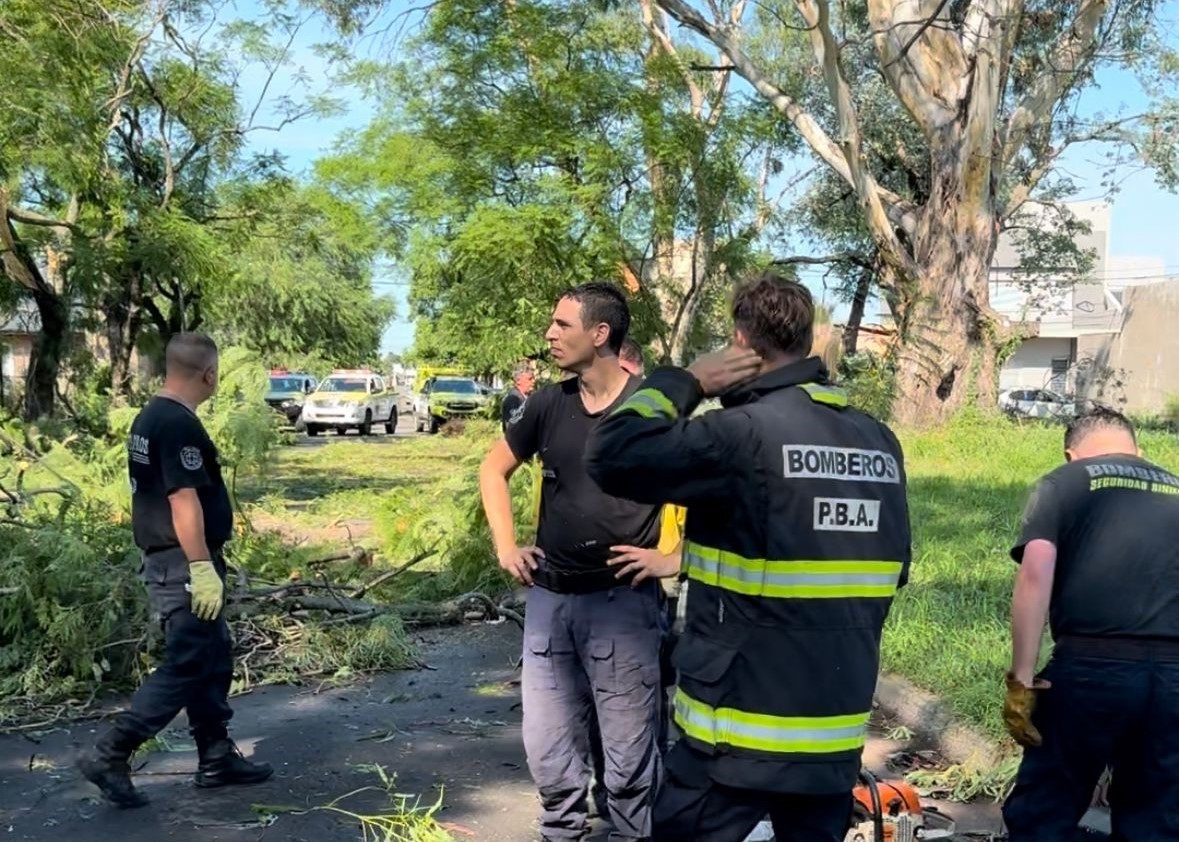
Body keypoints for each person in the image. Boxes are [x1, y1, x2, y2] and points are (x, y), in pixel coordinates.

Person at [585, 272, 911, 842]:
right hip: (830, 739)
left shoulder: (740, 435)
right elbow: (890, 571)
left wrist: (688, 380)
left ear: (739, 342)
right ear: (807, 340)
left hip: (734, 740)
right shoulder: (878, 441)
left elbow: (612, 454)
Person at [479, 282, 666, 842]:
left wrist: (673, 558)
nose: (549, 334)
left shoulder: (651, 408)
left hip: (623, 606)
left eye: (562, 324)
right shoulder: (547, 404)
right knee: (550, 752)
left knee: (629, 764)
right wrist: (506, 547)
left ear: (600, 333)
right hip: (550, 603)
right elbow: (493, 470)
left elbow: (715, 489)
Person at [77, 334, 272, 808]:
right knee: (187, 663)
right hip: (182, 563)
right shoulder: (177, 424)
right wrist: (201, 566)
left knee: (212, 656)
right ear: (209, 374)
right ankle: (111, 751)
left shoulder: (150, 417)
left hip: (171, 559)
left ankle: (216, 756)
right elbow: (183, 501)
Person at [1001, 407, 1179, 841]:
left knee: (1044, 814)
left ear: (1071, 454)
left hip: (1090, 670)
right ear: (1137, 449)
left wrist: (1022, 680)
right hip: (1173, 677)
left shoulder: (1063, 482)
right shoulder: (1176, 488)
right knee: (1156, 820)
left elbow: (1036, 572)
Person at [501, 361, 536, 432]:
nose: (533, 381)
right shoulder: (513, 399)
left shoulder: (528, 396)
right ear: (518, 381)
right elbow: (511, 428)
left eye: (533, 378)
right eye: (530, 379)